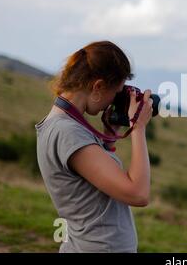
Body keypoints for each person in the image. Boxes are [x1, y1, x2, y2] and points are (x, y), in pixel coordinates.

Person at [35, 41, 153, 252]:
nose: (113, 102)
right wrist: (138, 128)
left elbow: (91, 185)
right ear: (97, 87)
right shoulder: (67, 132)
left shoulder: (64, 126)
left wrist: (109, 136)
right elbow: (138, 194)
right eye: (116, 93)